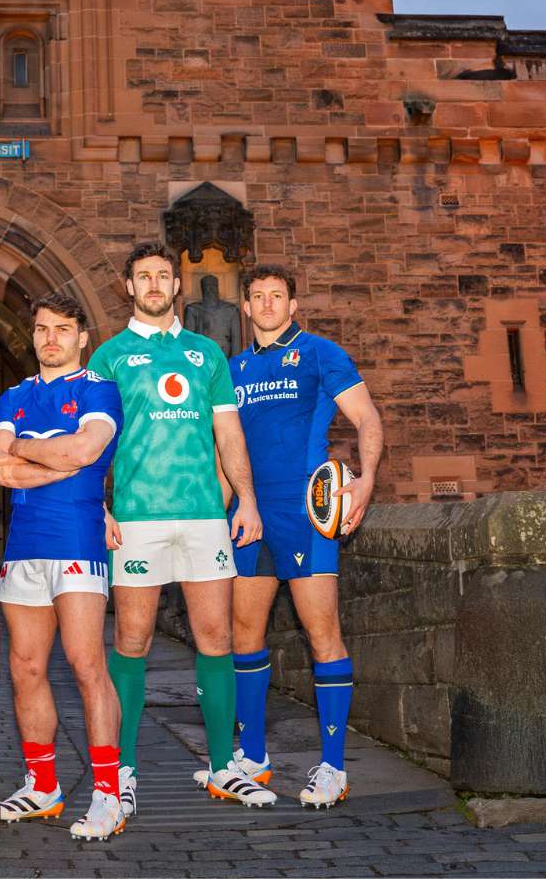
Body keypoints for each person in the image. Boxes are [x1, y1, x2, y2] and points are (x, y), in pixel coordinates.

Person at [86, 243, 275, 814]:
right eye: (143, 276)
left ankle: (222, 766)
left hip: (202, 515)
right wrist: (100, 507)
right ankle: (123, 770)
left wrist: (246, 499)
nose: (152, 284)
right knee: (131, 642)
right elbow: (96, 441)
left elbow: (230, 434)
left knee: (216, 639)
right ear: (128, 286)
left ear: (176, 286)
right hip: (138, 518)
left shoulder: (206, 355)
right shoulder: (108, 358)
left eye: (162, 276)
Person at [221, 263, 383, 809]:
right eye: (258, 296)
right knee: (244, 634)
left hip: (306, 514)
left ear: (293, 306)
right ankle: (254, 758)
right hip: (248, 516)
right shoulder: (233, 368)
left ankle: (334, 767)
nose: (267, 303)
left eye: (277, 296)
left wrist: (366, 481)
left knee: (322, 634)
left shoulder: (319, 353)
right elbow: (225, 453)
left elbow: (366, 418)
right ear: (245, 307)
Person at [0, 293, 126, 841]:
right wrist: (54, 459)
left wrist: (27, 450)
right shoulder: (15, 395)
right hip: (24, 545)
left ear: (81, 337)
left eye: (62, 329)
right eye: (43, 329)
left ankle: (109, 795)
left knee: (86, 664)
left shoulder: (98, 390)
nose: (51, 339)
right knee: (24, 667)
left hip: (78, 541)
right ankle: (43, 786)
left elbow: (86, 452)